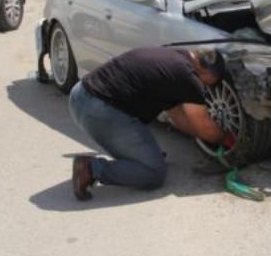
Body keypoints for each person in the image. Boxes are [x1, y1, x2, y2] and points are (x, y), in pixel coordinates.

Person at [68, 47, 235, 201]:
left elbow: (180, 118)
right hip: (99, 110)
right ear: (205, 71)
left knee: (149, 157)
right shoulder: (188, 78)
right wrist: (227, 140)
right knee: (153, 173)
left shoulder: (176, 59)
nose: (206, 88)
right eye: (209, 84)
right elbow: (204, 126)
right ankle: (90, 169)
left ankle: (143, 156)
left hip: (80, 95)